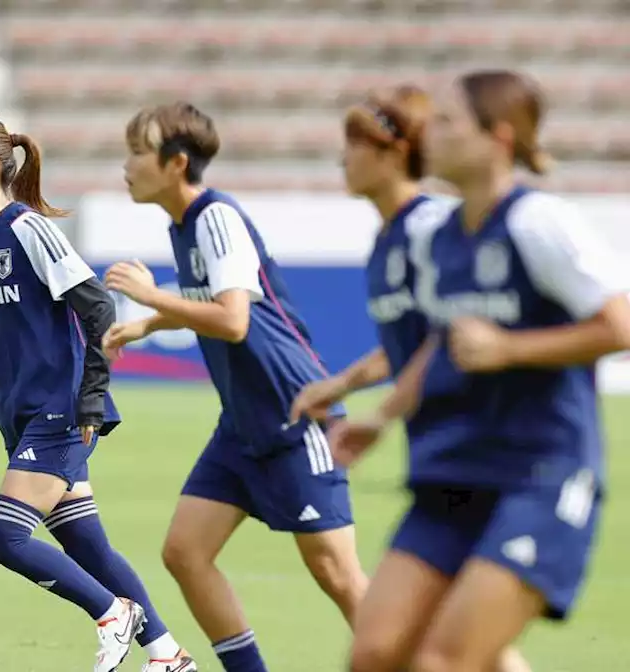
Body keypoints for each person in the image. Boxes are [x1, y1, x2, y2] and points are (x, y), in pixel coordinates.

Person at [330, 70, 630, 672]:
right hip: (455, 473)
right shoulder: (437, 237)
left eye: (446, 123)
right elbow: (442, 340)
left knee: (443, 661)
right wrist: (381, 417)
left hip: (539, 477)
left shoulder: (538, 221)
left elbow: (620, 326)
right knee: (375, 651)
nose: (430, 136)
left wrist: (509, 349)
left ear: (496, 137)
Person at [103, 102, 368, 672]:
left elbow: (234, 319)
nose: (125, 165)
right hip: (244, 424)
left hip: (296, 413)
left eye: (136, 152)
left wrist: (152, 299)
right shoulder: (184, 224)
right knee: (185, 553)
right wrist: (150, 323)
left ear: (176, 163)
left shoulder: (216, 217)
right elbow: (208, 302)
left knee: (338, 574)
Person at [289, 85, 531, 672]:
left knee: (425, 645)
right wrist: (343, 387)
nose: (343, 159)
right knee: (460, 644)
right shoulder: (387, 238)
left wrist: (376, 412)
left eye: (353, 145)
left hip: (480, 448)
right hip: (441, 451)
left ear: (393, 152)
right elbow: (414, 345)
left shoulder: (431, 228)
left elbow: (455, 334)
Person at [0, 114, 196, 672]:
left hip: (61, 410)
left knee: (4, 535)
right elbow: (18, 321)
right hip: (24, 414)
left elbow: (98, 307)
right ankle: (168, 656)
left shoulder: (29, 229)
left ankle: (111, 614)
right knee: (88, 546)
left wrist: (91, 396)